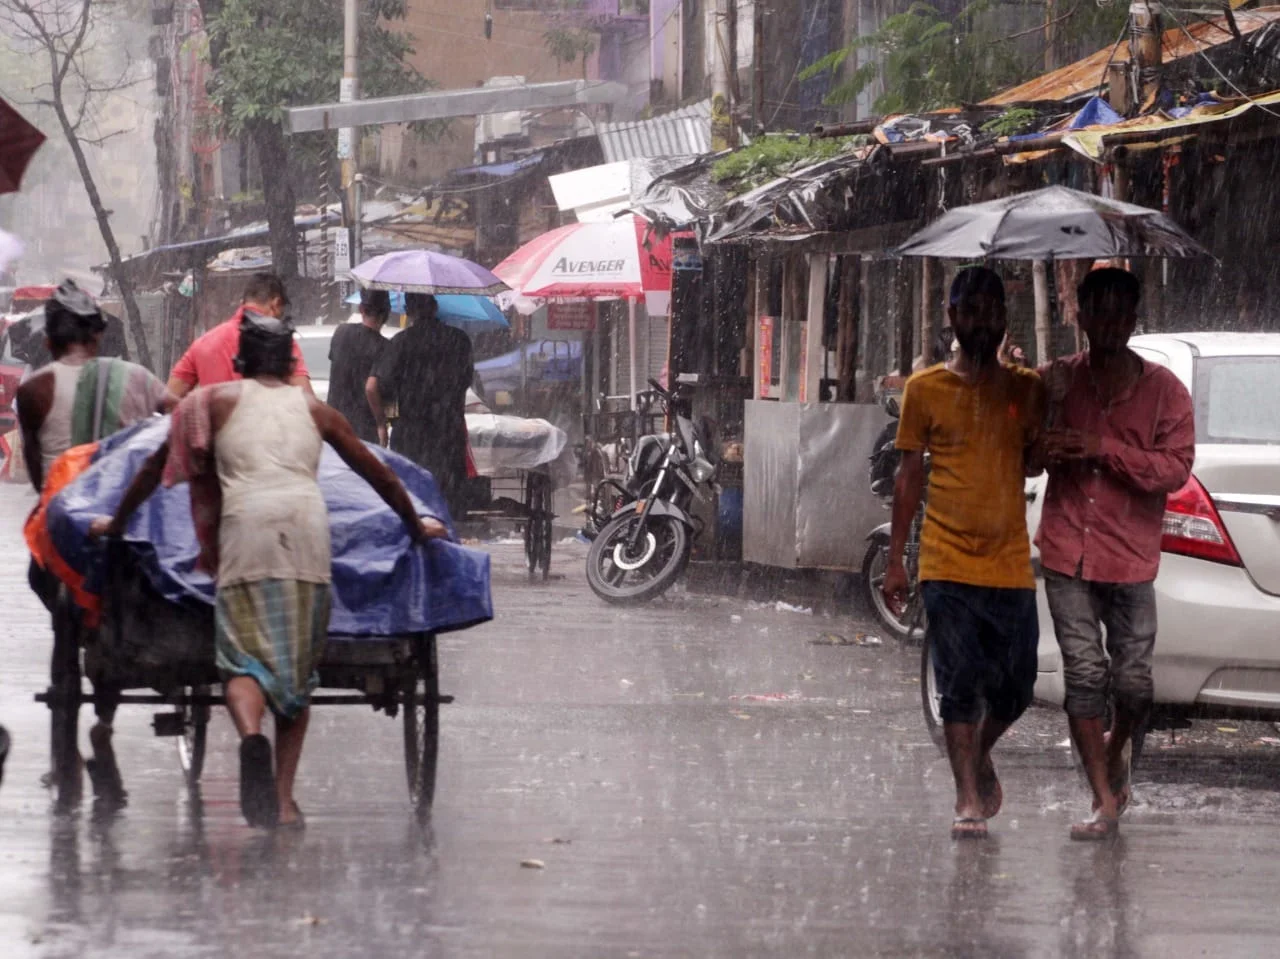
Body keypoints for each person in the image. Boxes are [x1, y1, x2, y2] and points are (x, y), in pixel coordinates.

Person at [92, 312, 448, 828]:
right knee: (297, 673)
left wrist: (118, 521)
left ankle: (251, 737)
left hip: (245, 537)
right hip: (306, 536)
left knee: (242, 662)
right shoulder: (316, 411)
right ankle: (282, 802)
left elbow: (154, 468)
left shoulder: (211, 403)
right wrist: (415, 524)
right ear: (289, 363)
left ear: (239, 361)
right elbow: (377, 473)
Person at [883, 267, 1045, 841]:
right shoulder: (924, 389)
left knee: (1018, 683)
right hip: (946, 561)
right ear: (952, 318)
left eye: (992, 311)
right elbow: (908, 479)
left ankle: (977, 753)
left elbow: (1036, 461)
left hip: (1008, 563)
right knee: (959, 683)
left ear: (1005, 320)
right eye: (971, 311)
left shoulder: (1026, 389)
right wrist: (897, 559)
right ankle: (967, 798)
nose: (982, 321)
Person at [1036, 268, 1194, 841]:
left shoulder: (1165, 391)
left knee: (1133, 685)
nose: (1106, 325)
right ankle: (1103, 797)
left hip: (1129, 557)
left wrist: (1103, 449)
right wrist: (1046, 425)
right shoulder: (1055, 380)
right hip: (1066, 550)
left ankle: (1117, 747)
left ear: (1133, 320)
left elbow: (1174, 470)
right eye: (1095, 313)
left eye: (1118, 314)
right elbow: (1027, 459)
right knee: (1083, 673)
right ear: (1079, 316)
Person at [16, 280, 172, 804]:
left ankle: (66, 758)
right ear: (98, 335)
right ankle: (104, 717)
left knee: (57, 603)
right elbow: (179, 418)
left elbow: (41, 478)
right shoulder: (139, 379)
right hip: (130, 530)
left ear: (49, 342)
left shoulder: (34, 390)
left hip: (70, 536)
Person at [367, 293, 473, 517]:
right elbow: (465, 381)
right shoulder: (460, 340)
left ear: (408, 311)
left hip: (411, 432)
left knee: (412, 498)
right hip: (448, 431)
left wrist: (389, 417)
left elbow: (383, 385)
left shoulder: (400, 342)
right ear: (435, 308)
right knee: (447, 500)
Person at [167, 272, 311, 398]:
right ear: (275, 304)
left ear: (243, 302)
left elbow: (169, 398)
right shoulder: (280, 342)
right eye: (280, 314)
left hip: (217, 428)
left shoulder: (203, 343)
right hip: (265, 428)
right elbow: (307, 402)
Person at [328, 290, 390, 443]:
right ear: (386, 313)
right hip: (364, 431)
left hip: (334, 424)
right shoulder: (385, 347)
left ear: (361, 309)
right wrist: (381, 424)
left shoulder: (341, 332)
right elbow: (371, 388)